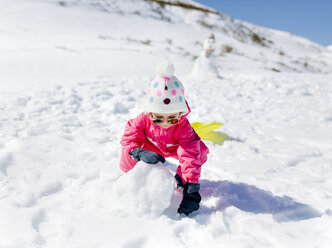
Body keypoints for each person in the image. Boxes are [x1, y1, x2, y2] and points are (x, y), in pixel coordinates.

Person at [120, 61, 209, 216]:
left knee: (200, 151)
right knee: (127, 153)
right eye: (159, 118)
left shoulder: (183, 127)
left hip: (174, 148)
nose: (166, 123)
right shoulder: (143, 119)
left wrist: (191, 186)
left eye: (172, 118)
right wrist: (136, 152)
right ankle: (134, 175)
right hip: (150, 148)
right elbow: (129, 137)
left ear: (180, 114)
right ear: (150, 113)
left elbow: (190, 155)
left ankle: (182, 179)